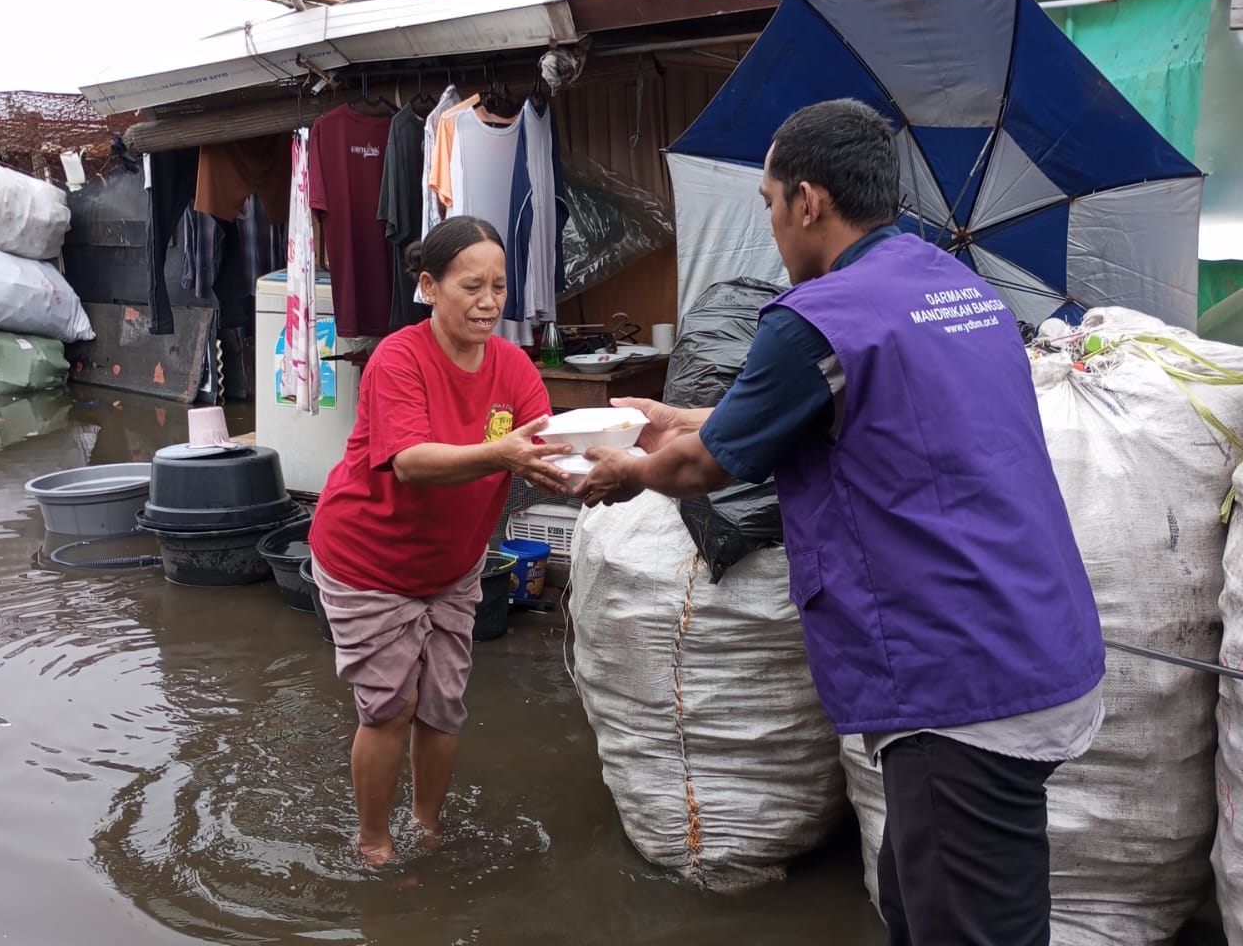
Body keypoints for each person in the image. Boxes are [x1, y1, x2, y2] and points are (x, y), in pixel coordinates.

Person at [578, 99, 1106, 946]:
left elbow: (706, 468)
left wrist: (627, 470)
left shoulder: (819, 317)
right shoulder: (954, 288)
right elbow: (824, 405)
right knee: (913, 898)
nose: (771, 226)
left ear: (809, 201)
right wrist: (679, 417)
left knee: (965, 926)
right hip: (1036, 639)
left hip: (961, 686)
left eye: (769, 203)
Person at [308, 215, 572, 865]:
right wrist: (502, 454)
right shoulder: (399, 359)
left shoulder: (513, 366)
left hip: (453, 565)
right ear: (428, 287)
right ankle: (374, 845)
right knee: (391, 706)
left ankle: (426, 830)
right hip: (369, 561)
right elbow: (410, 463)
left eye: (499, 287)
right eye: (471, 287)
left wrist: (603, 465)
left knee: (443, 704)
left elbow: (544, 445)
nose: (488, 303)